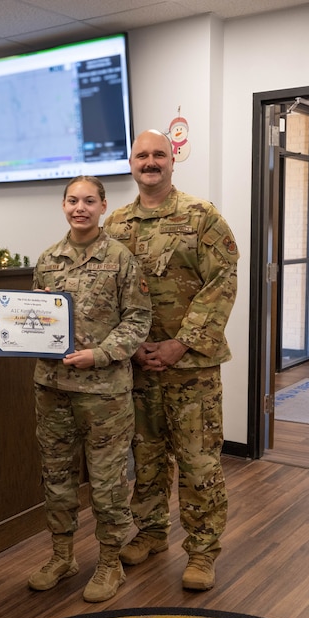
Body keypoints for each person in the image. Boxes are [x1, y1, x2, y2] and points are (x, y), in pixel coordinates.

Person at [102, 129, 239, 592]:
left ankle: (202, 551)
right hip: (137, 365)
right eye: (142, 155)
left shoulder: (202, 217)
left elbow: (222, 282)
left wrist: (181, 342)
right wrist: (132, 346)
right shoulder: (115, 224)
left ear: (172, 159)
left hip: (191, 367)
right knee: (146, 455)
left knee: (199, 461)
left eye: (159, 154)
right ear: (131, 162)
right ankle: (152, 532)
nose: (150, 161)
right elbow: (107, 294)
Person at [28, 175, 151, 602]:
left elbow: (138, 321)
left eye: (88, 201)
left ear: (102, 206)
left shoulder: (121, 259)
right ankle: (62, 556)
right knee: (56, 476)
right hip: (52, 386)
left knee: (107, 482)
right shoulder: (46, 260)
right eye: (72, 200)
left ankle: (110, 563)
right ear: (63, 206)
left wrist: (97, 354)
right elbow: (35, 319)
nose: (80, 207)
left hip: (104, 392)